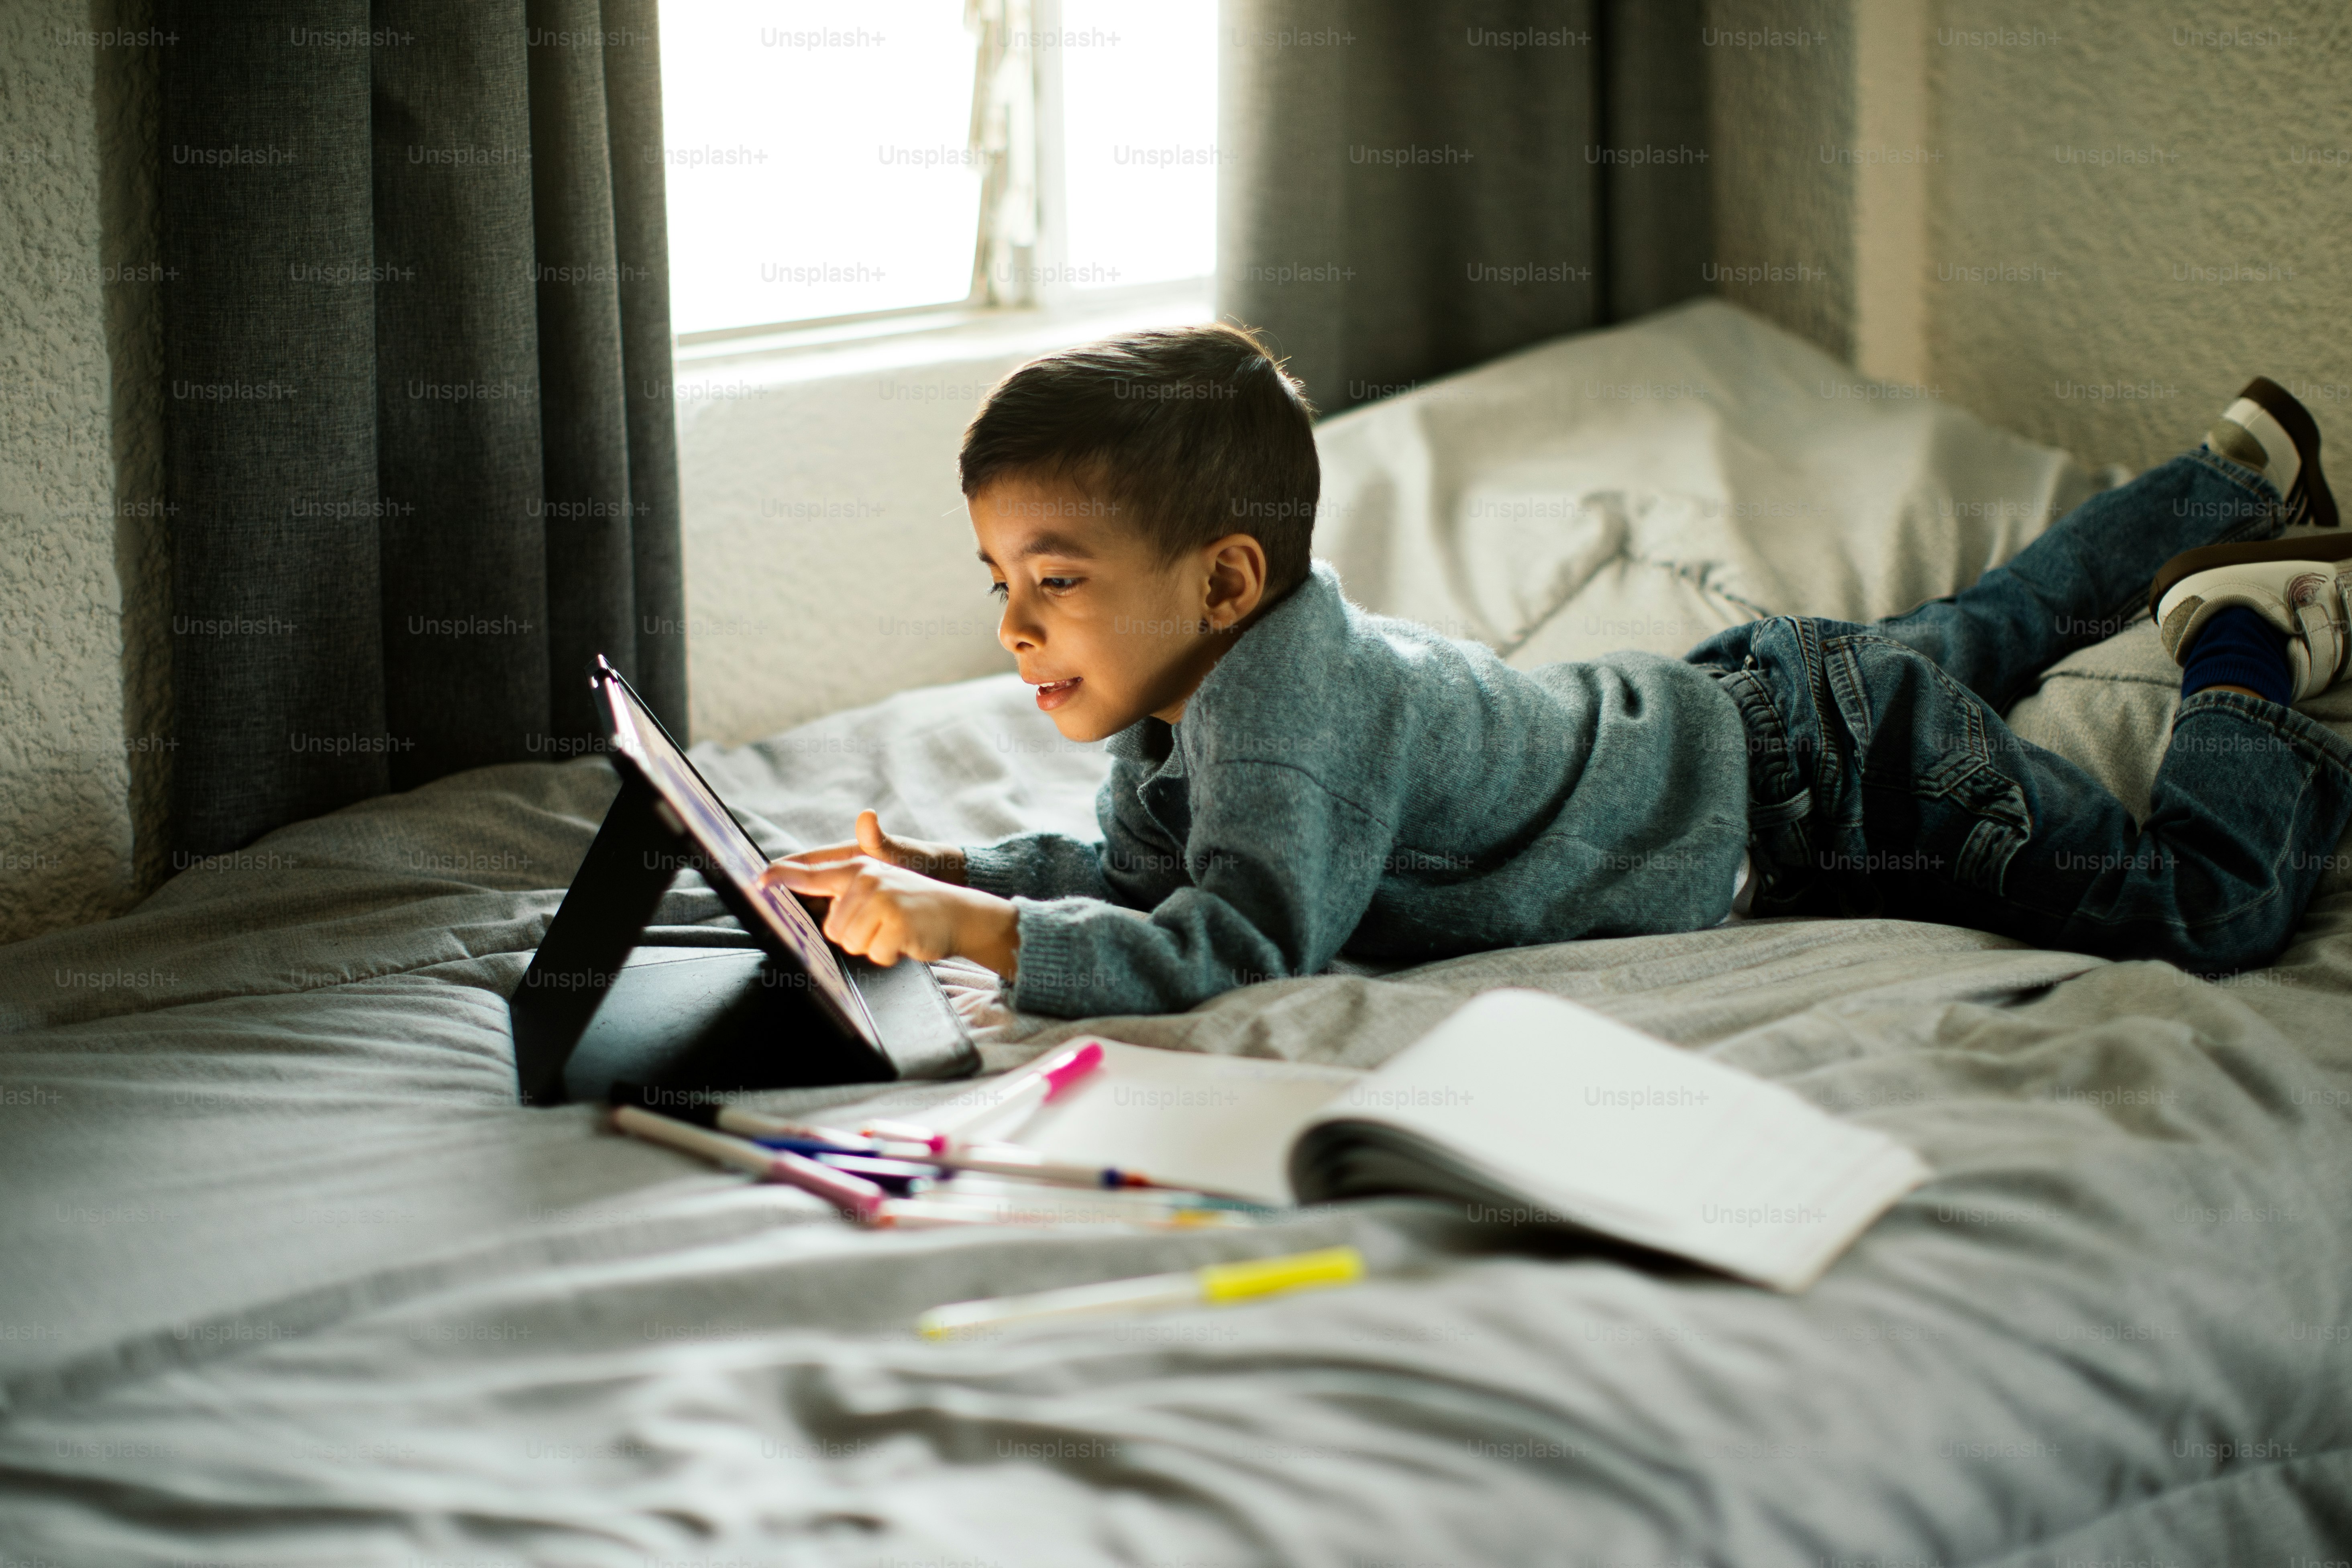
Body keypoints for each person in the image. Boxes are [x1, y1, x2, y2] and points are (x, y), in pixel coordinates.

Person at [762, 326, 2352, 1018]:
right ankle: (2226, 472)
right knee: (1988, 630)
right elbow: (1135, 867)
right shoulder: (1212, 686)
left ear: (1224, 579)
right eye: (1000, 585)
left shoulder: (1290, 722)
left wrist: (981, 932)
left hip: (1812, 785)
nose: (1014, 629)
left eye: (1055, 583)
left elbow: (1232, 942)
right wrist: (950, 867)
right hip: (1758, 710)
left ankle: (2242, 640)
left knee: (2195, 903)